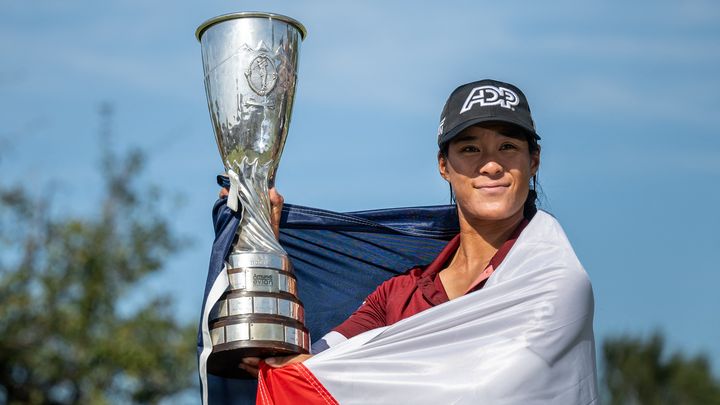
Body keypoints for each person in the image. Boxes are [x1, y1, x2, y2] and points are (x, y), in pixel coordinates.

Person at [228, 80, 596, 402]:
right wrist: (262, 240)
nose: (491, 165)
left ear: (534, 161)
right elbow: (310, 373)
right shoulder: (396, 297)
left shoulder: (554, 280)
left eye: (508, 147)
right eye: (470, 149)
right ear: (443, 165)